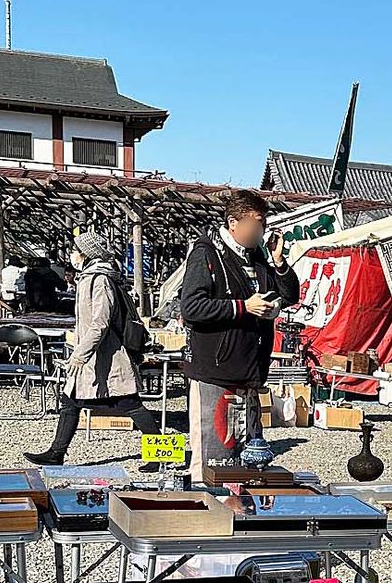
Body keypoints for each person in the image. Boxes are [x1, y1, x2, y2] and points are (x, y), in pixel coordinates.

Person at [180, 190, 299, 476]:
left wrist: (279, 262)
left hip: (249, 369)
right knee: (214, 455)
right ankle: (209, 511)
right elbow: (192, 307)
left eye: (263, 225)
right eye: (256, 224)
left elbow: (290, 295)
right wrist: (243, 307)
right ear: (233, 223)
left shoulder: (258, 255)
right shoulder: (207, 254)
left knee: (246, 456)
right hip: (215, 369)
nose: (260, 232)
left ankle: (240, 514)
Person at [24, 232, 162, 471]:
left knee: (129, 402)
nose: (72, 254)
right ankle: (56, 452)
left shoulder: (99, 279)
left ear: (86, 253)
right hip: (94, 356)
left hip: (106, 355)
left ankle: (161, 454)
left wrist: (80, 354)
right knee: (70, 401)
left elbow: (100, 322)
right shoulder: (90, 277)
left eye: (75, 250)